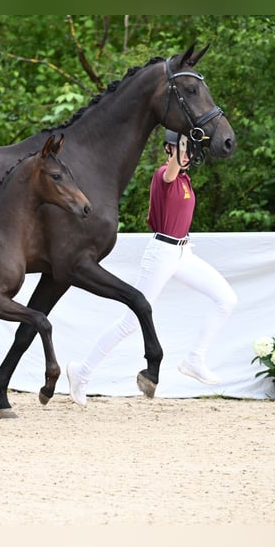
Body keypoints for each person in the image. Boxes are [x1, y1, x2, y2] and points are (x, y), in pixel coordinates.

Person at [66, 129, 237, 407]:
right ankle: (82, 372)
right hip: (161, 253)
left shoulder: (185, 179)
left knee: (227, 299)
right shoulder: (164, 175)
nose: (187, 155)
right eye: (182, 149)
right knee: (130, 323)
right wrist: (180, 142)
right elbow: (170, 171)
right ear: (170, 150)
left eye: (189, 150)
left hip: (183, 252)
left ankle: (195, 358)